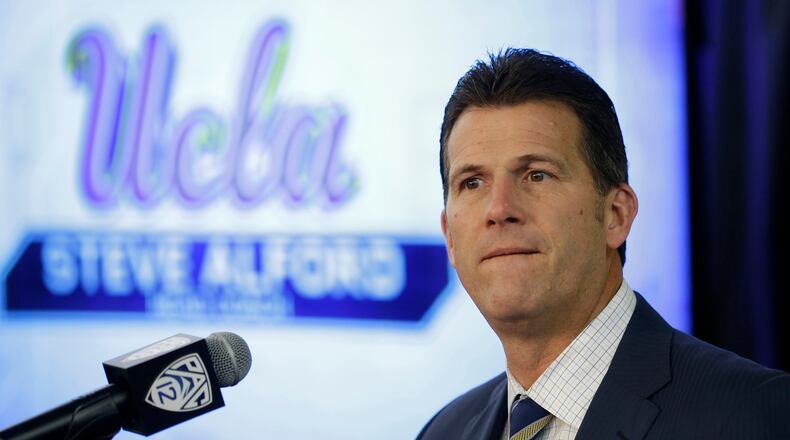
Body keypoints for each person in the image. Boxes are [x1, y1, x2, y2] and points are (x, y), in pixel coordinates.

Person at [417, 49, 790, 440]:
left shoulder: (752, 413)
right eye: (472, 182)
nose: (499, 209)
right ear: (450, 237)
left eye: (536, 175)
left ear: (616, 215)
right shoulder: (445, 431)